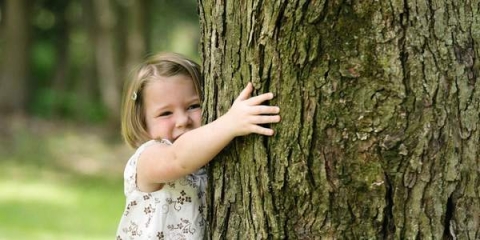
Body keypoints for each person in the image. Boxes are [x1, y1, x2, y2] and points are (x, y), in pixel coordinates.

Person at [116, 52, 281, 239]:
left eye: (193, 106)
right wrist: (230, 123)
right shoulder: (147, 158)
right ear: (142, 122)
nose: (182, 120)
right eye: (165, 113)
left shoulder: (206, 158)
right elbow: (178, 158)